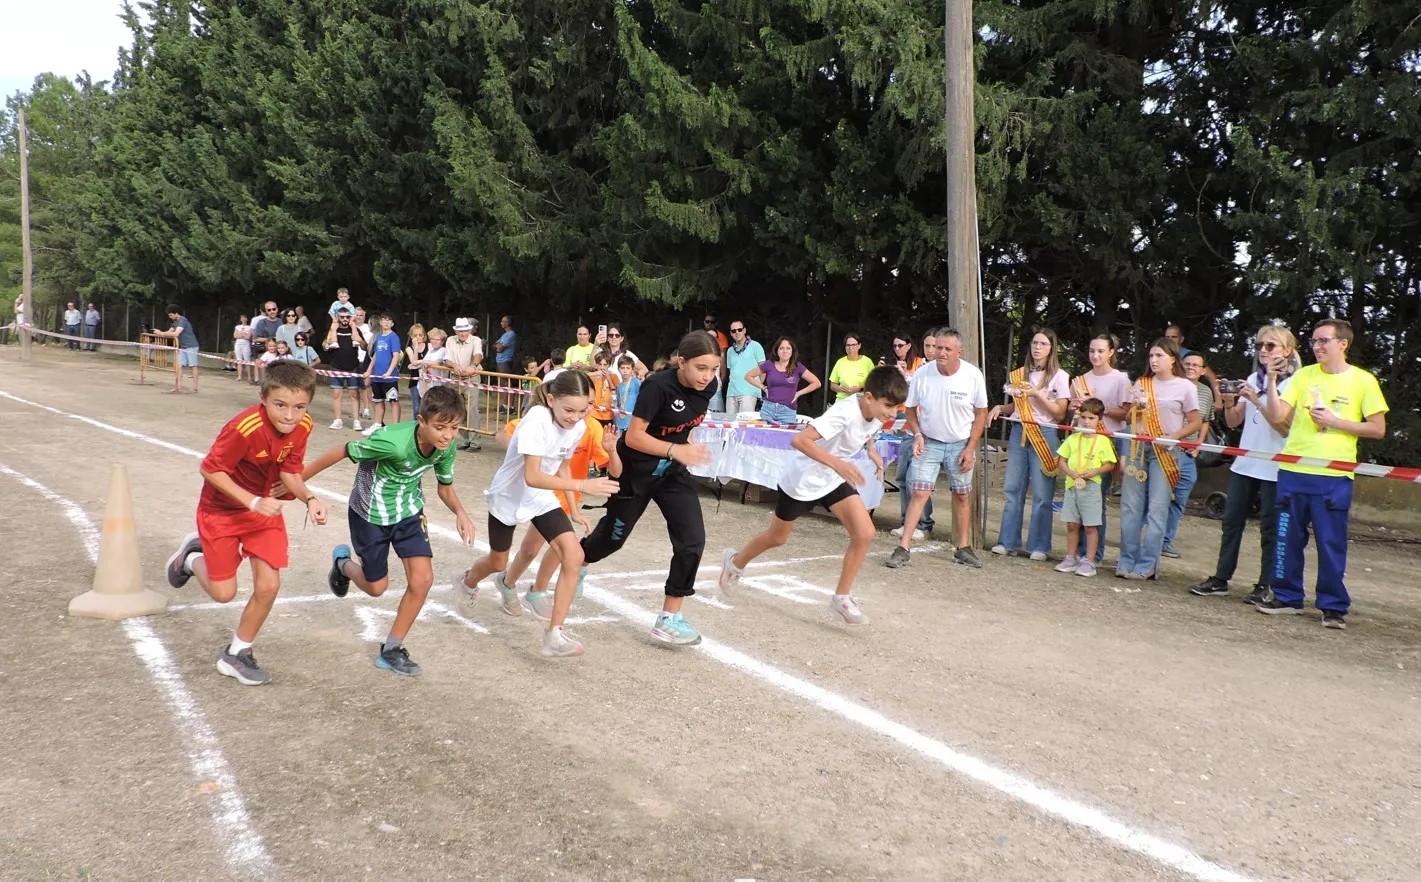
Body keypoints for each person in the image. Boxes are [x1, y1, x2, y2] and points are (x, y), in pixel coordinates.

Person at [163, 361, 325, 685]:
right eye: (280, 405)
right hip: (221, 511)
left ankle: (237, 653)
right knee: (223, 594)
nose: (290, 416)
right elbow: (210, 469)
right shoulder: (244, 427)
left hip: (263, 512)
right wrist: (251, 500)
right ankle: (191, 559)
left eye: (299, 407)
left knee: (269, 585)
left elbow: (290, 471)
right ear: (262, 397)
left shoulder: (304, 426)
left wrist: (310, 498)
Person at [306, 385, 476, 675]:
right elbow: (342, 450)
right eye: (440, 427)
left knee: (422, 581)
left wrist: (461, 512)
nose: (448, 435)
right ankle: (343, 564)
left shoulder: (445, 447)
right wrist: (297, 483)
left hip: (409, 512)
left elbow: (444, 487)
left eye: (454, 428)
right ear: (421, 422)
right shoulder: (392, 442)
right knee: (376, 588)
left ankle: (392, 649)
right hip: (370, 514)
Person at [720, 366, 906, 624]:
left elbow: (866, 432)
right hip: (803, 479)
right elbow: (800, 441)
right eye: (889, 406)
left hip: (831, 478)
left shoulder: (876, 414)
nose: (893, 413)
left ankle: (841, 598)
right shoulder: (844, 412)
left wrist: (872, 451)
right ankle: (735, 562)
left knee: (864, 532)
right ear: (869, 397)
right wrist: (838, 464)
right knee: (777, 538)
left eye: (897, 408)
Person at [461, 372, 619, 656]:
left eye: (583, 410)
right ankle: (468, 581)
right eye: (569, 410)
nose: (575, 417)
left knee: (573, 555)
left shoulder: (580, 427)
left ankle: (554, 635)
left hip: (540, 496)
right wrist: (584, 485)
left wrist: (573, 509)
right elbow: (532, 475)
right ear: (551, 400)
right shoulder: (536, 419)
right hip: (509, 496)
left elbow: (562, 466)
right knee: (498, 562)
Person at [580, 330, 720, 645]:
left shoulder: (708, 387)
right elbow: (634, 437)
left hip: (672, 473)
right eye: (701, 368)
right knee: (612, 540)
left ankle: (670, 617)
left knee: (692, 540)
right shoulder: (657, 386)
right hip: (635, 473)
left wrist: (684, 449)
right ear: (681, 362)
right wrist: (675, 449)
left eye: (713, 369)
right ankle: (578, 562)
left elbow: (685, 427)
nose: (707, 376)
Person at [1256, 319, 1388, 629]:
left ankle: (1333, 607)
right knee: (1287, 538)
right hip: (1292, 470)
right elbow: (1277, 416)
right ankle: (1287, 598)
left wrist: (1335, 421)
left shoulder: (1363, 381)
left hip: (1334, 475)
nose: (1317, 346)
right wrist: (1272, 380)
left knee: (1330, 542)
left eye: (1324, 340)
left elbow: (1377, 428)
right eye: (1314, 341)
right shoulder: (1303, 375)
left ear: (1343, 344)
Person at [1188, 325, 1300, 603]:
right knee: (1231, 523)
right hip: (1245, 463)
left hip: (1275, 465)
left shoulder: (1296, 383)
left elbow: (1284, 427)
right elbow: (1234, 421)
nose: (1263, 350)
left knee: (1270, 528)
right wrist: (1228, 401)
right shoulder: (1254, 377)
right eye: (1260, 344)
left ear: (1287, 350)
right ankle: (1221, 578)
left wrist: (1257, 399)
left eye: (1271, 346)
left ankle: (1265, 585)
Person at [485, 412, 622, 618]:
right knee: (530, 550)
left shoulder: (591, 428)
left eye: (589, 404)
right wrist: (524, 454)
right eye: (579, 404)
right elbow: (502, 435)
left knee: (563, 549)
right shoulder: (541, 421)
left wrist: (612, 451)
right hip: (536, 491)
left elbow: (616, 472)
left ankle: (537, 591)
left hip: (566, 494)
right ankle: (507, 583)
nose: (584, 410)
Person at [886, 327, 988, 569]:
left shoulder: (973, 375)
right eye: (937, 347)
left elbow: (981, 413)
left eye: (946, 349)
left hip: (960, 444)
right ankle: (903, 547)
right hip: (929, 441)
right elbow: (910, 409)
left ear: (959, 352)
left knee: (962, 495)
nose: (940, 352)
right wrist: (918, 434)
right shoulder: (923, 374)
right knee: (919, 492)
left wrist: (971, 447)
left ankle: (963, 547)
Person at [1116, 339, 1201, 580]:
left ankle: (1148, 564)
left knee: (1157, 507)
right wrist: (1137, 412)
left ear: (1172, 358)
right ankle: (1126, 560)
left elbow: (1195, 421)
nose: (1153, 360)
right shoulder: (1142, 383)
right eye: (1151, 355)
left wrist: (1173, 437)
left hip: (1165, 450)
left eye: (1159, 355)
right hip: (1137, 448)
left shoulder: (1185, 387)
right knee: (1131, 505)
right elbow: (1129, 417)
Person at [988, 327, 1070, 560]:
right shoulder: (1020, 374)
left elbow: (1059, 413)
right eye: (1034, 343)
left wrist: (1037, 394)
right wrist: (1000, 408)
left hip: (1044, 433)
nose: (1037, 347)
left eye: (1043, 344)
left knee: (1043, 494)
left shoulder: (1060, 377)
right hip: (1018, 431)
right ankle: (1008, 541)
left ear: (1051, 348)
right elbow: (1015, 408)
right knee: (1012, 488)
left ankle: (1040, 546)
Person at [1066, 333, 1132, 563]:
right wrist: (1075, 407)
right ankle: (1077, 551)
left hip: (1106, 441)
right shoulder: (1079, 380)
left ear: (1111, 353)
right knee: (1078, 496)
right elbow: (1075, 414)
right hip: (1082, 442)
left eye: (1101, 351)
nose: (1095, 355)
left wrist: (1098, 409)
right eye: (1092, 350)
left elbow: (1126, 414)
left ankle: (1094, 554)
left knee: (1096, 498)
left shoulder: (1121, 379)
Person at [1052, 399, 1118, 577]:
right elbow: (1062, 461)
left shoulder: (1103, 441)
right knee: (1072, 524)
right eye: (1084, 417)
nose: (1086, 421)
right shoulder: (1073, 438)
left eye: (1091, 418)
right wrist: (1070, 473)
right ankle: (1070, 557)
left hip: (1091, 486)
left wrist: (1095, 470)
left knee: (1090, 525)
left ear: (1099, 420)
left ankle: (1089, 560)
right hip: (1072, 485)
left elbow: (1110, 464)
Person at [1161, 351, 1215, 558]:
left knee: (1181, 494)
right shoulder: (1171, 386)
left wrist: (1199, 443)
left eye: (1196, 365)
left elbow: (1206, 419)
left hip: (1188, 453)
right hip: (1166, 449)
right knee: (1158, 495)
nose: (1191, 367)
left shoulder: (1205, 392)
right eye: (1188, 363)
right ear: (1180, 365)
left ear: (1202, 371)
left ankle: (1166, 541)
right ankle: (1151, 537)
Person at [892, 332, 935, 541]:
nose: (930, 350)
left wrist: (906, 377)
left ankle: (923, 523)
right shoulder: (921, 369)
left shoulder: (926, 369)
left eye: (933, 346)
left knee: (916, 480)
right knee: (901, 477)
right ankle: (906, 521)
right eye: (927, 345)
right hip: (909, 428)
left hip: (927, 432)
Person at [745, 336, 821, 424]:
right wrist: (763, 388)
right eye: (781, 348)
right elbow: (748, 376)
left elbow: (816, 383)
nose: (785, 351)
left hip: (787, 411)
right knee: (765, 436)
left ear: (792, 351)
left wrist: (799, 393)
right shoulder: (769, 364)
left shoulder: (797, 367)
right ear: (777, 350)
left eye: (788, 348)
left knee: (786, 437)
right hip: (768, 409)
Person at [323, 310, 367, 430]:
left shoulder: (355, 330)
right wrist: (328, 344)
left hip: (353, 366)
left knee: (354, 394)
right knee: (337, 394)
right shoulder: (333, 330)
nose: (345, 319)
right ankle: (338, 420)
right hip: (336, 366)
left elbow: (365, 346)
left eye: (347, 317)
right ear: (338, 317)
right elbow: (325, 346)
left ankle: (356, 421)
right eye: (342, 317)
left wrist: (360, 340)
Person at [446, 317, 484, 451]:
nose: (463, 334)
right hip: (455, 377)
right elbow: (447, 359)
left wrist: (473, 365)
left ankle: (475, 442)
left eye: (466, 330)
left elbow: (478, 354)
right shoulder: (450, 340)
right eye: (461, 331)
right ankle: (465, 439)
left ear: (470, 330)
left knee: (472, 409)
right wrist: (454, 365)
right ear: (456, 331)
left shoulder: (476, 340)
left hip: (471, 378)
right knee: (458, 408)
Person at [362, 312, 403, 436]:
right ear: (380, 322)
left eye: (389, 321)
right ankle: (378, 424)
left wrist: (389, 372)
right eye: (384, 320)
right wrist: (369, 370)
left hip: (389, 377)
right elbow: (375, 355)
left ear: (392, 324)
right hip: (377, 376)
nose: (386, 322)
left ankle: (396, 426)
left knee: (393, 400)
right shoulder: (379, 337)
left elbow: (396, 356)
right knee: (378, 401)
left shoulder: (393, 337)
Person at [152, 304, 202, 393]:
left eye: (171, 315)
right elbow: (169, 332)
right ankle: (178, 387)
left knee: (193, 366)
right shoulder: (175, 322)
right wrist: (160, 333)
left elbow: (176, 333)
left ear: (176, 313)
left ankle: (194, 388)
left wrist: (162, 334)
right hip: (183, 347)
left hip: (191, 346)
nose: (170, 317)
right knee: (179, 366)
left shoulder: (183, 320)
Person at [723, 319, 766, 415]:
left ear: (744, 330)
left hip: (749, 392)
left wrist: (757, 386)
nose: (737, 332)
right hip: (731, 392)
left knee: (745, 424)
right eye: (733, 331)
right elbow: (731, 372)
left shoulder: (755, 346)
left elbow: (763, 369)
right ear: (731, 333)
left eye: (739, 329)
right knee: (730, 424)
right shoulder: (730, 351)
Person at [828, 332, 872, 402]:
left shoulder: (867, 362)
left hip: (861, 401)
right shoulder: (840, 362)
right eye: (848, 345)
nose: (850, 348)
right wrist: (841, 388)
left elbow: (873, 384)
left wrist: (860, 389)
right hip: (842, 401)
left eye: (853, 345)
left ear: (859, 346)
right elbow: (832, 385)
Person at [702, 314, 729, 411]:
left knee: (717, 415)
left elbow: (723, 367)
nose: (709, 324)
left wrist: (720, 383)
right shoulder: (700, 352)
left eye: (712, 322)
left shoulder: (721, 339)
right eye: (707, 321)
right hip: (702, 388)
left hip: (715, 387)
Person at [353, 307, 376, 420]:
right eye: (356, 315)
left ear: (364, 316)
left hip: (364, 360)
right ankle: (357, 410)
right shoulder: (350, 327)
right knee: (354, 387)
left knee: (365, 387)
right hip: (352, 360)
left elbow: (370, 346)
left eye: (361, 315)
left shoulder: (368, 329)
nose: (358, 317)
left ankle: (367, 409)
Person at [404, 324, 429, 419]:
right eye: (415, 335)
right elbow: (414, 362)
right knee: (417, 407)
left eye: (420, 335)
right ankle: (416, 427)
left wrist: (419, 364)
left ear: (424, 335)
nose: (418, 337)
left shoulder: (429, 346)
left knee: (426, 406)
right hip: (415, 381)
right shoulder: (409, 349)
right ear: (411, 336)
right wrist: (416, 348)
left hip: (427, 381)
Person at [613, 355, 641, 431]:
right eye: (622, 368)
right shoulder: (619, 386)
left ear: (632, 369)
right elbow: (619, 403)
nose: (625, 371)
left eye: (628, 368)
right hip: (621, 420)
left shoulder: (636, 383)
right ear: (618, 369)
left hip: (633, 421)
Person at [233, 315, 254, 383]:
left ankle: (249, 377)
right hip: (238, 344)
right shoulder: (237, 327)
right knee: (239, 360)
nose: (243, 319)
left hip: (246, 344)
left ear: (247, 319)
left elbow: (248, 337)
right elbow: (235, 335)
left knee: (247, 360)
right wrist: (242, 335)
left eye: (245, 317)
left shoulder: (250, 327)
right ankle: (239, 376)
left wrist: (241, 335)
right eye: (242, 317)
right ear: (240, 319)